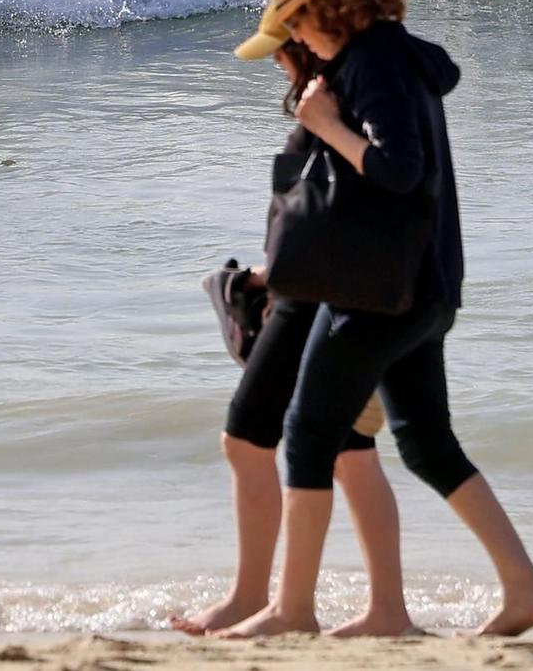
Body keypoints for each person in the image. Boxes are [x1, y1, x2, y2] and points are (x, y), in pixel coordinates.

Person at [222, 0, 533, 639]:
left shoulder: (374, 63)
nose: (298, 39)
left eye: (297, 21)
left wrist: (325, 123)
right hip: (425, 288)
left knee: (310, 434)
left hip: (380, 294)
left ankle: (292, 609)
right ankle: (517, 589)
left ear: (326, 7)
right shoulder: (394, 59)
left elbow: (399, 170)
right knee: (426, 442)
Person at [173, 33, 413, 639]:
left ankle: (255, 598)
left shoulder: (327, 101)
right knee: (350, 452)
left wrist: (267, 279)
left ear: (299, 47)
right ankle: (387, 609)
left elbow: (333, 211)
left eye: (280, 48)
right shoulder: (350, 91)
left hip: (313, 298)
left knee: (247, 438)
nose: (276, 62)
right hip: (338, 293)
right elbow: (330, 209)